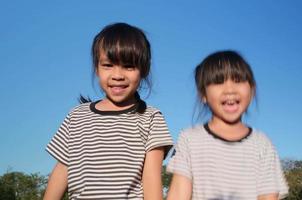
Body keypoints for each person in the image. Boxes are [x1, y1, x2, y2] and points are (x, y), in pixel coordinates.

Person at [44, 22, 173, 200]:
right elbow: (62, 170)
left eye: (129, 66)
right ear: (96, 67)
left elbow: (152, 180)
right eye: (108, 65)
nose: (117, 75)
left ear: (144, 70)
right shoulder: (76, 116)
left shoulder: (151, 118)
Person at [167, 50, 288, 200]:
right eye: (218, 82)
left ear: (252, 89)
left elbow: (268, 195)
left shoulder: (262, 144)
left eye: (238, 80)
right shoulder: (189, 139)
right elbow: (179, 193)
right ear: (203, 94)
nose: (230, 90)